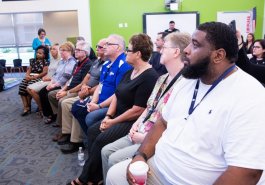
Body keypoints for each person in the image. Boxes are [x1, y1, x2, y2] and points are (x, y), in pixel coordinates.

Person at [107, 22, 265, 185]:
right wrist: (140, 156)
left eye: (195, 45)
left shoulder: (250, 96)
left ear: (218, 56)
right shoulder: (187, 81)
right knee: (114, 175)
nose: (186, 50)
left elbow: (246, 172)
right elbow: (162, 122)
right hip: (158, 168)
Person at [67, 33, 158, 185]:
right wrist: (108, 116)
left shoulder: (149, 76)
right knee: (92, 131)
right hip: (117, 115)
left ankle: (84, 178)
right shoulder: (131, 71)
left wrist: (112, 121)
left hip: (131, 121)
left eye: (128, 50)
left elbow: (137, 110)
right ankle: (94, 176)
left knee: (101, 139)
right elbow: (117, 94)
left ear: (138, 54)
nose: (126, 52)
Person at [102, 32, 191, 183]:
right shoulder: (162, 79)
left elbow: (172, 125)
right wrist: (137, 124)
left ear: (176, 52)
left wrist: (143, 137)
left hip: (151, 137)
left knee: (113, 159)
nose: (160, 50)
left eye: (164, 47)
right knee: (105, 151)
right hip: (141, 129)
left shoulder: (185, 84)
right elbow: (149, 107)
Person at [57, 34, 132, 151]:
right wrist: (93, 101)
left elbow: (118, 94)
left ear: (118, 47)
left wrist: (98, 106)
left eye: (108, 44)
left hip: (111, 105)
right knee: (77, 107)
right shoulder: (107, 64)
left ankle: (95, 141)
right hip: (99, 100)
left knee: (90, 118)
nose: (104, 47)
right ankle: (89, 139)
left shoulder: (124, 65)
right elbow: (100, 85)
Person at [57, 38, 107, 154]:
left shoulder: (106, 64)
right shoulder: (96, 62)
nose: (97, 49)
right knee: (69, 103)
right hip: (85, 91)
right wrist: (84, 86)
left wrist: (87, 91)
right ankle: (68, 133)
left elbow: (102, 84)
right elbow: (87, 78)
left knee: (72, 105)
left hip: (94, 94)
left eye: (100, 47)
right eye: (97, 46)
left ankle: (76, 140)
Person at [48, 41, 92, 128]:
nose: (75, 51)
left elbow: (82, 84)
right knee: (52, 94)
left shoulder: (88, 64)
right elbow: (70, 80)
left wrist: (67, 92)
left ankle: (62, 126)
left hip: (77, 90)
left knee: (62, 101)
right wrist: (62, 90)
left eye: (78, 50)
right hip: (70, 88)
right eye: (76, 49)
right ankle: (60, 117)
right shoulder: (77, 63)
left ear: (85, 53)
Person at [38, 42, 76, 122]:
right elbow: (56, 74)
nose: (61, 52)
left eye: (63, 50)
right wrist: (51, 83)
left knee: (48, 93)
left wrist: (54, 85)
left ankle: (53, 115)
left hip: (63, 85)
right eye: (60, 50)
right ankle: (51, 114)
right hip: (56, 83)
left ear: (70, 51)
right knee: (42, 92)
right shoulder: (62, 61)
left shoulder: (72, 62)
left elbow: (65, 77)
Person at [27, 43, 61, 117]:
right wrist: (45, 76)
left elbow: (59, 75)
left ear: (59, 50)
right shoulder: (52, 60)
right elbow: (49, 71)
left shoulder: (60, 60)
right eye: (51, 49)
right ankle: (41, 108)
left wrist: (48, 78)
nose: (52, 50)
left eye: (54, 49)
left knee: (32, 90)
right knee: (28, 88)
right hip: (47, 79)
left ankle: (42, 109)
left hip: (53, 81)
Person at [18, 45, 49, 116]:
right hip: (30, 76)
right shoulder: (32, 60)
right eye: (37, 52)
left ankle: (30, 107)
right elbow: (29, 70)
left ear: (44, 55)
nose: (38, 54)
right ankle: (26, 107)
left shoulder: (46, 62)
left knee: (29, 86)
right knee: (22, 86)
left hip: (38, 77)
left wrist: (34, 77)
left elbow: (44, 72)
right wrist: (27, 76)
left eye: (40, 53)